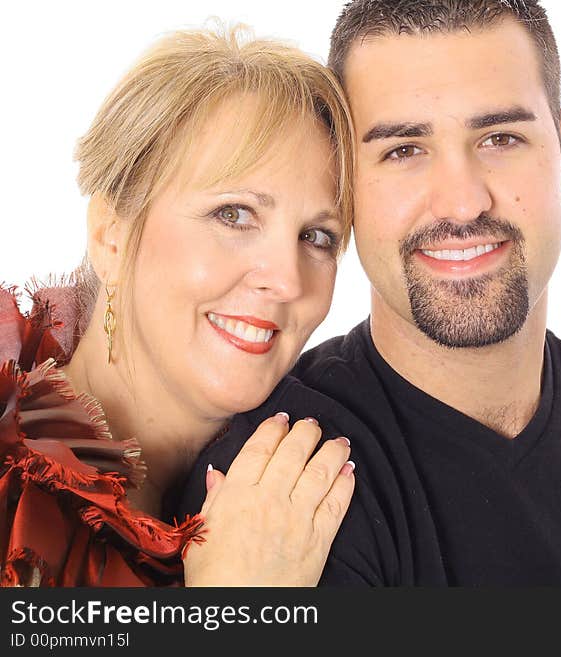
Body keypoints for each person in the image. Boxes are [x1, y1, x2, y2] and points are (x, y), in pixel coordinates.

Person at [179, 0, 561, 585]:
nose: (462, 201)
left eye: (500, 139)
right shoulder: (277, 487)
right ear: (345, 189)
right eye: (404, 150)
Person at [0, 24, 357, 586]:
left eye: (317, 237)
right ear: (111, 236)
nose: (288, 280)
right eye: (233, 214)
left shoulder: (308, 482)